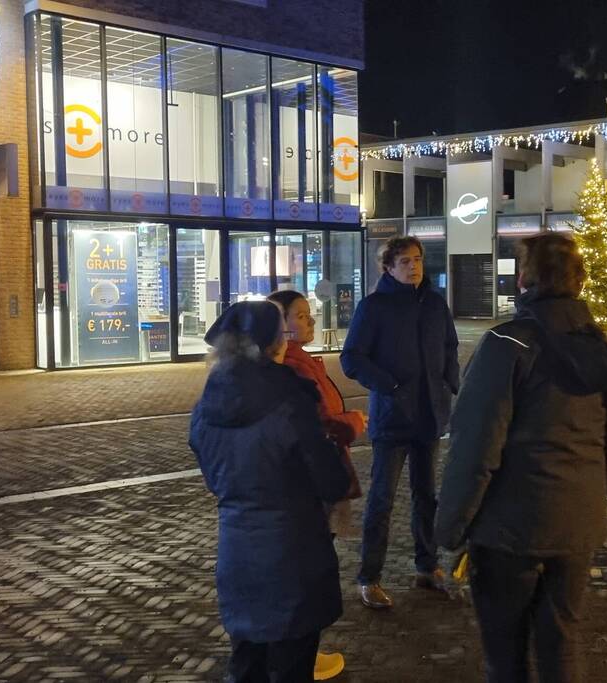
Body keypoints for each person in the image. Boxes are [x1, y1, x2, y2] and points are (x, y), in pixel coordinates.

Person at [435, 233, 607, 683]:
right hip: (575, 524)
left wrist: (450, 527)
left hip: (510, 527)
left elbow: (474, 446)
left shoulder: (507, 344)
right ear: (578, 282)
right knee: (562, 642)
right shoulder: (595, 343)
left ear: (523, 279)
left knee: (505, 653)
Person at [189, 301, 350, 683]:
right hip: (294, 550)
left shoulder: (206, 404)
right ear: (273, 344)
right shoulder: (290, 399)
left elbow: (214, 476)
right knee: (294, 663)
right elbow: (331, 480)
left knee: (247, 660)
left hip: (237, 549)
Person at [341, 235, 460, 609]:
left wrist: (448, 384)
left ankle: (427, 566)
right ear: (388, 267)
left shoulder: (435, 305)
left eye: (418, 260)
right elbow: (352, 357)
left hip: (429, 416)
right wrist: (389, 385)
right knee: (382, 500)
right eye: (405, 261)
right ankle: (369, 576)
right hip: (392, 419)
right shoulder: (373, 307)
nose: (414, 267)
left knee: (427, 497)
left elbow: (450, 347)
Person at [268, 290, 367, 680]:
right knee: (307, 574)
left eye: (310, 315)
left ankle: (304, 654)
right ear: (281, 326)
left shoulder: (303, 362)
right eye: (302, 316)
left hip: (309, 483)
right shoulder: (294, 370)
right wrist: (352, 423)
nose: (310, 322)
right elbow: (317, 426)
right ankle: (299, 659)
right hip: (309, 487)